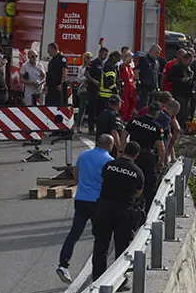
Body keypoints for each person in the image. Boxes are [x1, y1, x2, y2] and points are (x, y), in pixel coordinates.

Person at [57, 134, 115, 283]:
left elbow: (77, 175)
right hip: (97, 202)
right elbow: (107, 183)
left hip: (81, 198)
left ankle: (63, 264)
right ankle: (98, 273)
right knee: (101, 237)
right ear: (109, 145)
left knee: (74, 233)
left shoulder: (83, 155)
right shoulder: (109, 161)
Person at [91, 141, 145, 280]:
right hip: (124, 210)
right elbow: (138, 194)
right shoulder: (138, 172)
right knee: (122, 247)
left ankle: (98, 277)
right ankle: (119, 279)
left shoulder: (110, 166)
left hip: (105, 207)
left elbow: (103, 182)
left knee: (101, 244)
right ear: (136, 155)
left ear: (123, 150)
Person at [122, 102, 167, 211]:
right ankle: (148, 210)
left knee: (129, 180)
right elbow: (160, 147)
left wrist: (121, 151)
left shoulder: (135, 120)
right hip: (148, 158)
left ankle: (129, 204)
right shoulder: (157, 127)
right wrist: (162, 161)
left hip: (132, 156)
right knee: (150, 184)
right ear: (157, 113)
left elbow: (123, 135)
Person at [85, 47, 108, 134]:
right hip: (92, 89)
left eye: (106, 55)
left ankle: (98, 128)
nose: (105, 57)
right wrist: (94, 81)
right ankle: (91, 129)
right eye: (104, 54)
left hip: (101, 90)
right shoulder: (93, 63)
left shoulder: (103, 64)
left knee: (100, 109)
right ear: (100, 53)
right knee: (92, 109)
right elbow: (86, 73)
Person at [136, 44, 162, 109]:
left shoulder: (157, 61)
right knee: (144, 106)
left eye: (159, 53)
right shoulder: (144, 59)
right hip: (145, 87)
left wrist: (157, 87)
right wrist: (138, 84)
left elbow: (156, 73)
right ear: (151, 51)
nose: (158, 54)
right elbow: (136, 71)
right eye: (157, 53)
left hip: (153, 88)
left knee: (152, 107)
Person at [119, 51, 138, 121]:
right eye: (130, 58)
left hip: (132, 89)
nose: (131, 60)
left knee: (132, 105)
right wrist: (129, 56)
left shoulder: (130, 68)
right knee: (125, 106)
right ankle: (122, 120)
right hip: (126, 88)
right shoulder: (122, 66)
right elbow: (124, 64)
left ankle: (128, 120)